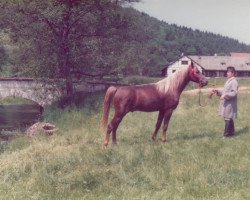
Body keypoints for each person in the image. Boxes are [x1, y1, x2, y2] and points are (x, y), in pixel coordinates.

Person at [212, 66, 238, 137]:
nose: (227, 73)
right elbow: (224, 91)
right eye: (227, 72)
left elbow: (234, 93)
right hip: (226, 103)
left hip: (230, 104)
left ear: (233, 73)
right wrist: (217, 91)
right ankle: (232, 133)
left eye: (228, 72)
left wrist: (225, 95)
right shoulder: (228, 81)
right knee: (229, 118)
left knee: (228, 118)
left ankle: (226, 135)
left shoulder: (234, 82)